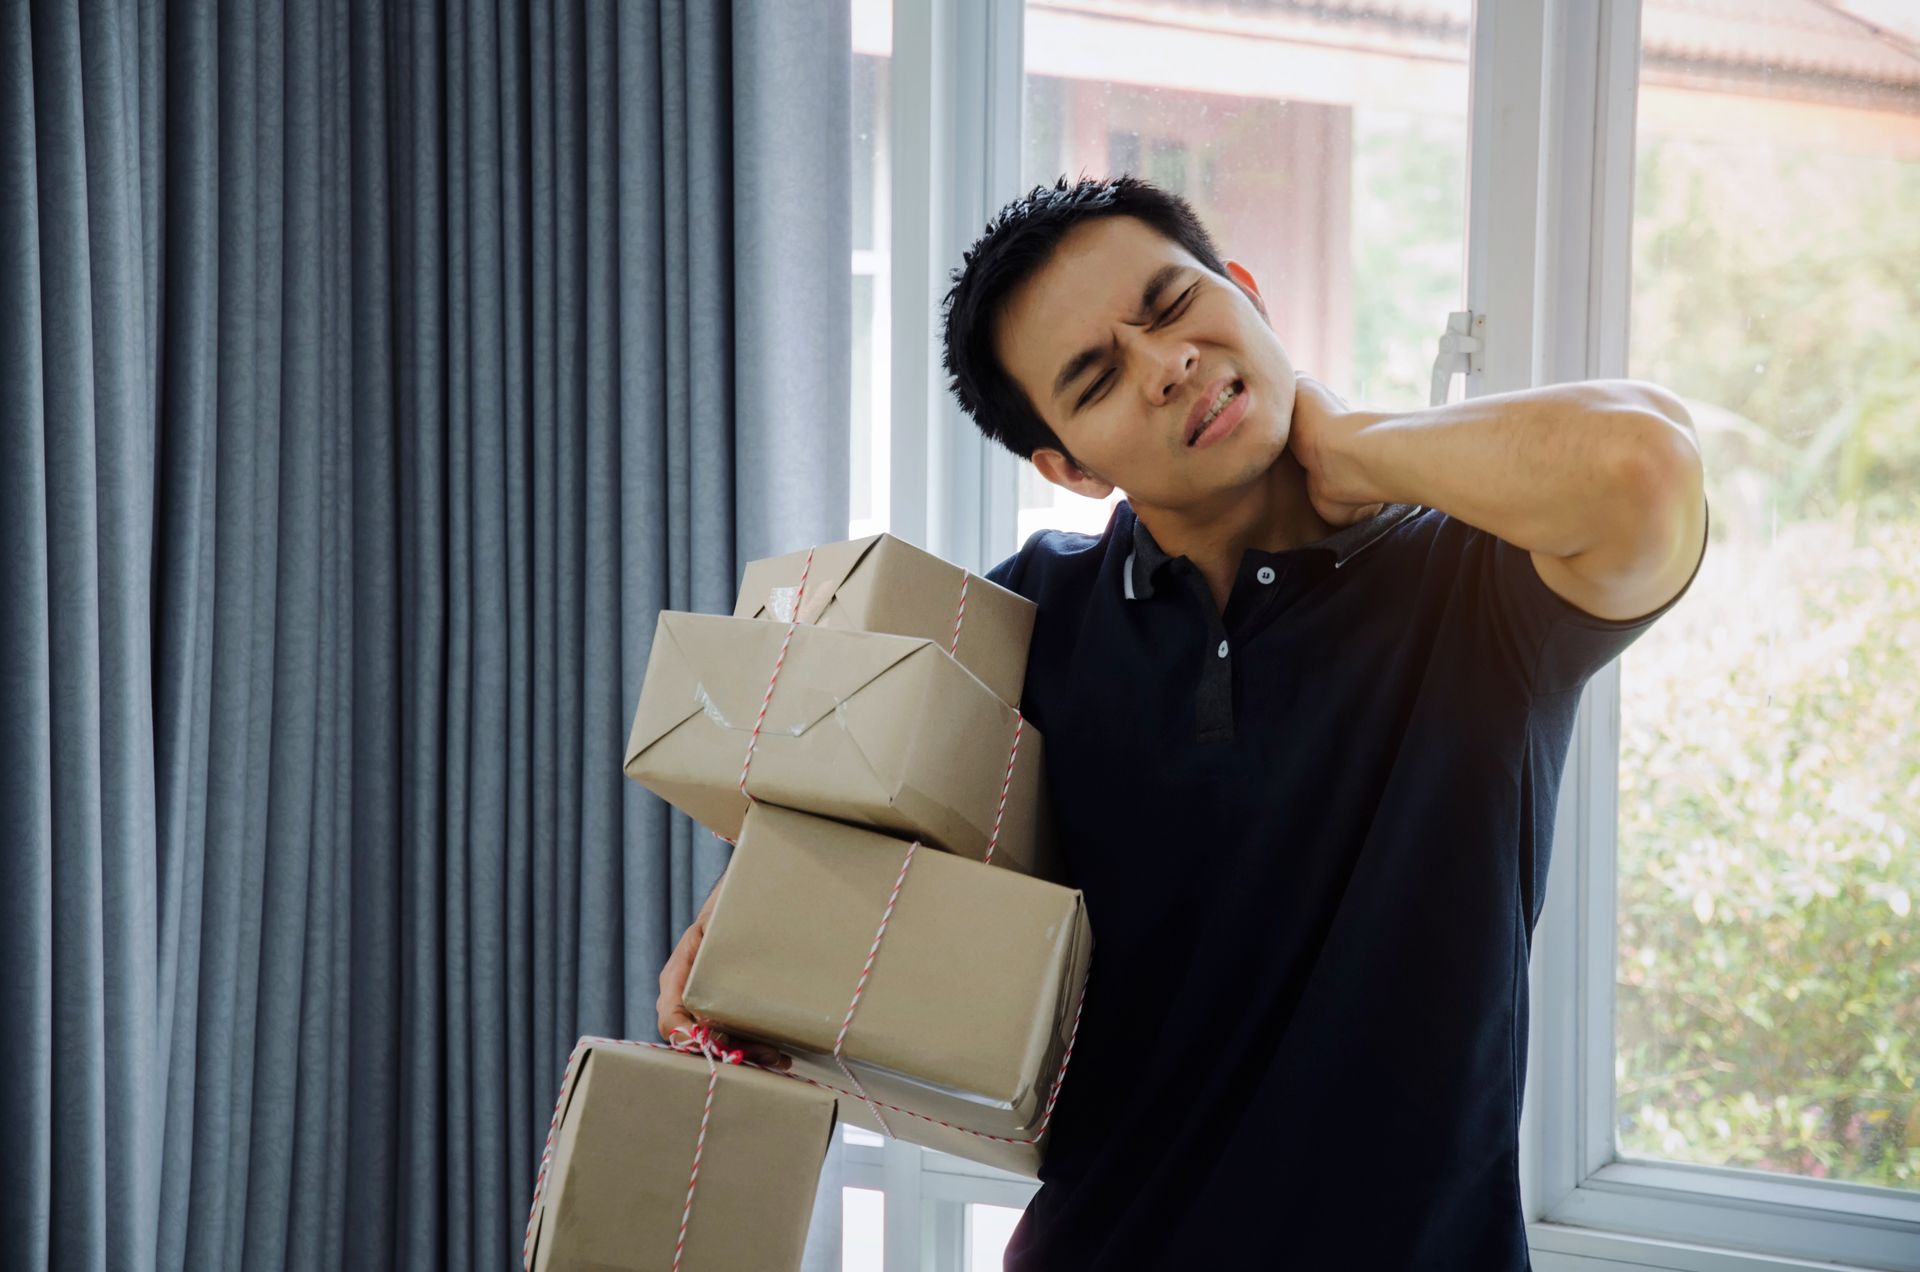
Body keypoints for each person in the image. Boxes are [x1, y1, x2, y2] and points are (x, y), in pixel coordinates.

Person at [659, 174, 1708, 1269]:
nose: (1166, 367)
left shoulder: (1475, 584)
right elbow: (836, 833)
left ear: (1246, 289)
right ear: (1070, 466)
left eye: (1172, 306)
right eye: (1098, 378)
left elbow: (1644, 469)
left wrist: (1349, 445)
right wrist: (736, 934)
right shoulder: (1026, 618)